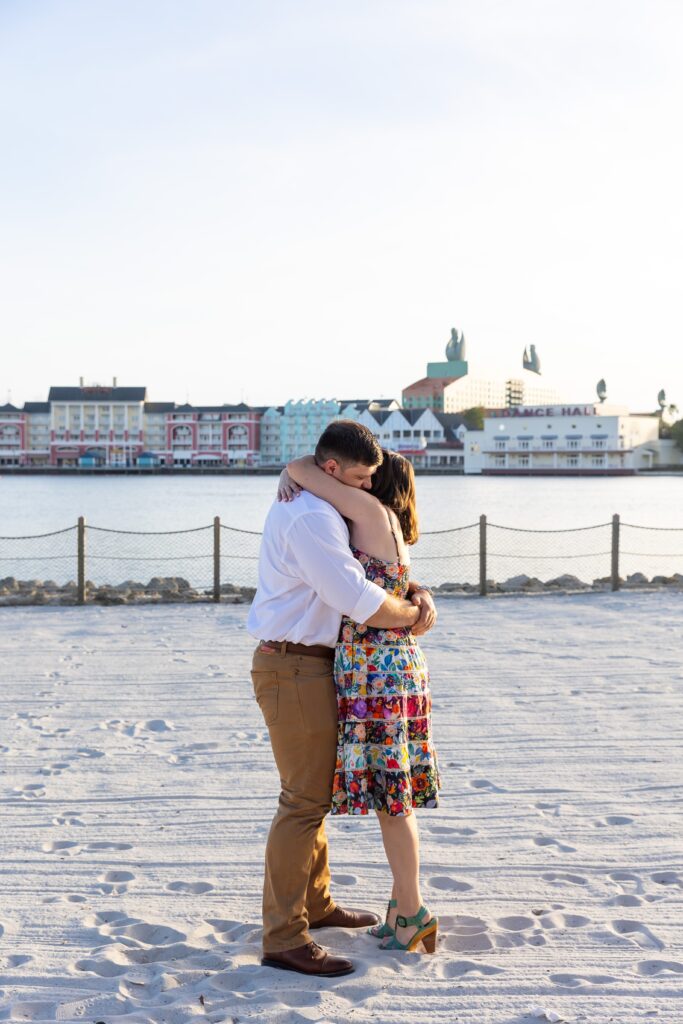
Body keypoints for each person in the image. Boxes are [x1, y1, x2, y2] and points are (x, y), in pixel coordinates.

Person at [247, 420, 437, 977]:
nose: (367, 484)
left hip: (319, 664)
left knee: (314, 793)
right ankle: (284, 936)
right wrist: (413, 616)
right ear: (333, 471)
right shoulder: (310, 516)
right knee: (302, 801)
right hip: (293, 663)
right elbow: (357, 598)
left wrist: (413, 595)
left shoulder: (331, 506)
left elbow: (381, 575)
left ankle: (316, 904)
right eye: (359, 476)